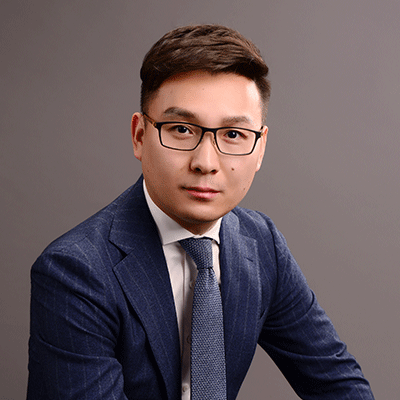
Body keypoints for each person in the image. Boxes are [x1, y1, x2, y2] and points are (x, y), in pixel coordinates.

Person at [27, 24, 374, 399]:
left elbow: (339, 384)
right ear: (140, 136)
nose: (205, 162)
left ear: (260, 148)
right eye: (181, 129)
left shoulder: (261, 243)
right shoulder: (76, 271)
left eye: (233, 134)